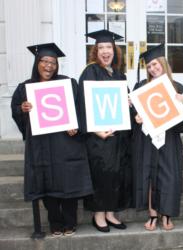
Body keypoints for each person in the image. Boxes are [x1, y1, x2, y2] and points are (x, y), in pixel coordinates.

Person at [11, 43, 93, 236]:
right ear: (37, 63)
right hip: (41, 145)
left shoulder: (68, 83)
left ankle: (70, 222)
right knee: (46, 184)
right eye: (44, 61)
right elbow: (16, 111)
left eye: (53, 63)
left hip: (66, 143)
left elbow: (81, 108)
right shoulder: (25, 88)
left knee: (68, 182)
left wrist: (77, 126)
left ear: (57, 66)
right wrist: (22, 109)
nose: (49, 66)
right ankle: (55, 222)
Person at [78, 29, 132, 233]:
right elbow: (83, 103)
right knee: (101, 174)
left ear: (114, 50)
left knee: (116, 174)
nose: (105, 51)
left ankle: (111, 213)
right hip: (99, 137)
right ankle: (98, 215)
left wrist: (127, 102)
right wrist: (95, 130)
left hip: (117, 137)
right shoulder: (90, 72)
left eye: (108, 47)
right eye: (101, 48)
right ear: (95, 51)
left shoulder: (119, 74)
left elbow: (120, 103)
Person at [131, 44, 183, 231]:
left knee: (169, 176)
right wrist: (136, 117)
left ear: (163, 63)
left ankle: (167, 214)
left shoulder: (177, 88)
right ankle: (153, 214)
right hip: (147, 140)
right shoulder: (141, 87)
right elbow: (136, 117)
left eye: (155, 64)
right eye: (149, 66)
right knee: (149, 175)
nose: (152, 69)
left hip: (169, 139)